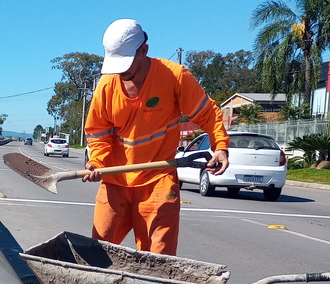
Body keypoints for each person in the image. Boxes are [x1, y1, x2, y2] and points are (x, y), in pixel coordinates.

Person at [82, 19, 230, 256]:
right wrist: (97, 162)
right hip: (115, 181)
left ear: (144, 50)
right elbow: (98, 133)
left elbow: (207, 113)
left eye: (126, 63)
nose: (121, 71)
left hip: (158, 181)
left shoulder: (174, 76)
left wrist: (220, 146)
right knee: (98, 252)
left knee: (158, 258)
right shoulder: (107, 86)